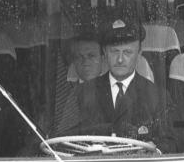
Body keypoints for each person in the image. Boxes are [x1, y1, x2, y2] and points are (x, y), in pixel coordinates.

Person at [58, 10, 169, 149]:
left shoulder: (156, 95)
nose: (120, 59)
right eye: (114, 51)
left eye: (127, 52)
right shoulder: (81, 93)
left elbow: (170, 143)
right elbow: (62, 139)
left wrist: (154, 149)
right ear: (104, 52)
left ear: (139, 53)